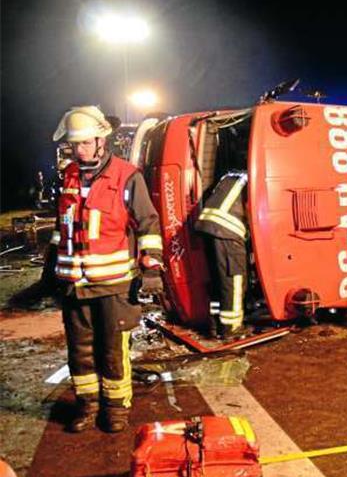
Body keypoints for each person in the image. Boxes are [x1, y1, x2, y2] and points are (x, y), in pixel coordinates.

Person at [43, 106, 164, 433]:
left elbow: (149, 223)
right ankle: (87, 406)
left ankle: (115, 409)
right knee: (79, 353)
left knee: (112, 351)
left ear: (101, 140)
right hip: (73, 285)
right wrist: (52, 263)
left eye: (84, 143)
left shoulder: (127, 176)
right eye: (74, 144)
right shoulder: (68, 175)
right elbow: (63, 226)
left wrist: (151, 262)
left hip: (113, 285)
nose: (78, 150)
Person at [194, 171, 249, 339]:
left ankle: (214, 325)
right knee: (234, 279)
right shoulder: (256, 177)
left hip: (208, 225)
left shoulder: (231, 176)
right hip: (228, 228)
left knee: (218, 280)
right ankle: (231, 329)